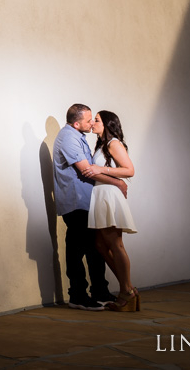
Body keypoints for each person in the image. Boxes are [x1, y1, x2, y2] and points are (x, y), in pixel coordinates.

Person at [52, 103, 125, 310]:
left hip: (87, 202)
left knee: (95, 248)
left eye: (94, 119)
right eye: (89, 120)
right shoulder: (68, 138)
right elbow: (86, 170)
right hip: (76, 203)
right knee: (77, 249)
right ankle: (77, 295)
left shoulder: (79, 137)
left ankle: (99, 290)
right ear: (76, 123)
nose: (92, 122)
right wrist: (117, 182)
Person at [82, 111, 139, 311]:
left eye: (96, 120)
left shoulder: (114, 143)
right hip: (100, 194)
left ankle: (126, 292)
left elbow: (129, 170)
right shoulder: (102, 145)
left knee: (116, 244)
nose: (92, 123)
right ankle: (128, 289)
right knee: (100, 244)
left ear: (107, 123)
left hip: (108, 195)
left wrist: (100, 170)